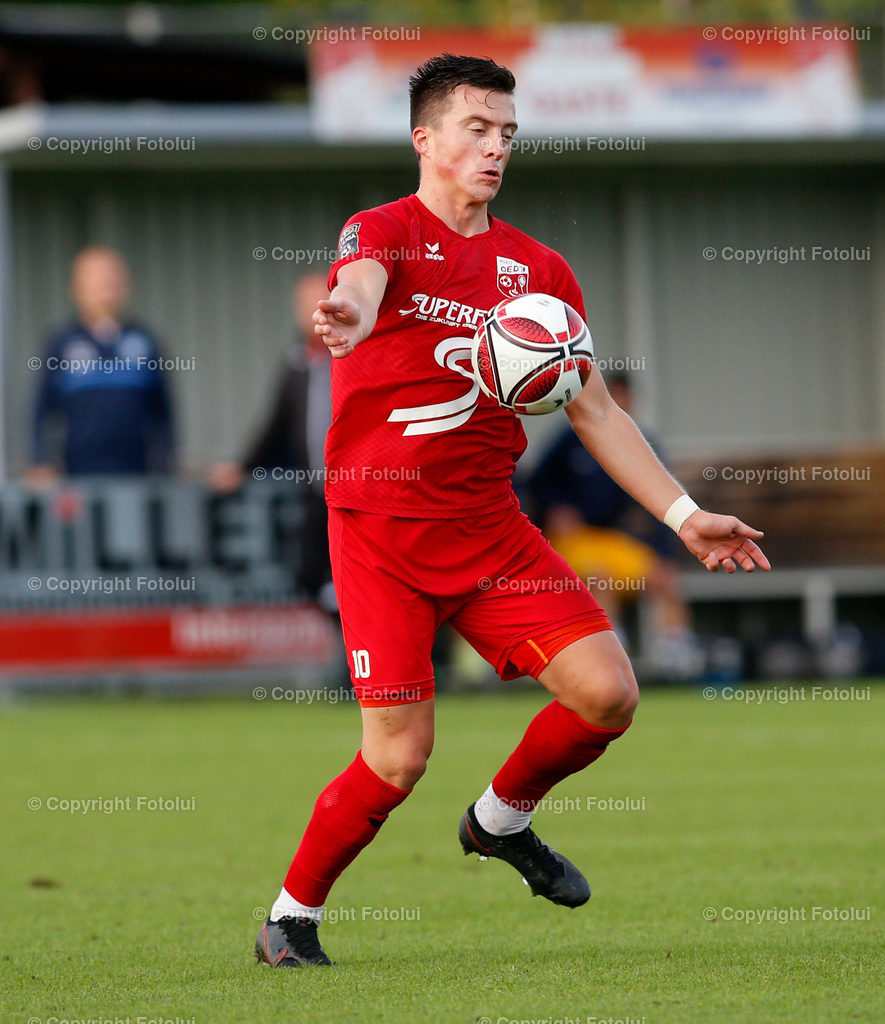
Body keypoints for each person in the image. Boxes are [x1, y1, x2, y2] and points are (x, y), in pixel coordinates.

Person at [254, 53, 769, 968]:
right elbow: (362, 283)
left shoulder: (538, 270)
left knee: (608, 694)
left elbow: (595, 411)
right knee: (399, 758)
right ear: (426, 139)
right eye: (476, 130)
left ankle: (497, 823)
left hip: (490, 526)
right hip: (379, 533)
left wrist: (685, 514)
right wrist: (348, 311)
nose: (496, 149)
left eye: (507, 135)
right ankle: (290, 919)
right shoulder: (380, 233)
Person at [529, 372, 703, 677]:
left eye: (625, 399)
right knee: (601, 577)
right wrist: (556, 508)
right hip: (576, 539)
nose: (620, 404)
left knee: (664, 578)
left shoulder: (641, 445)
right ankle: (610, 653)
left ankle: (676, 657)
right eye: (614, 397)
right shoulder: (569, 439)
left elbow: (659, 505)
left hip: (612, 539)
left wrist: (663, 553)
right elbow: (538, 482)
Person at [209, 273, 335, 608]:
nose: (311, 310)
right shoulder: (296, 361)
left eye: (318, 300)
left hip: (363, 490)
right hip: (316, 493)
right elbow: (275, 426)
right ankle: (346, 652)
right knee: (312, 572)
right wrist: (241, 466)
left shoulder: (359, 353)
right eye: (303, 304)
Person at [29, 246, 174, 482]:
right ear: (76, 289)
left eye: (112, 277)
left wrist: (165, 462)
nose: (106, 284)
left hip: (136, 476)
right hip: (77, 475)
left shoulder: (144, 341)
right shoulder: (62, 343)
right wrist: (40, 461)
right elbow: (40, 410)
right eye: (96, 278)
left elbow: (164, 412)